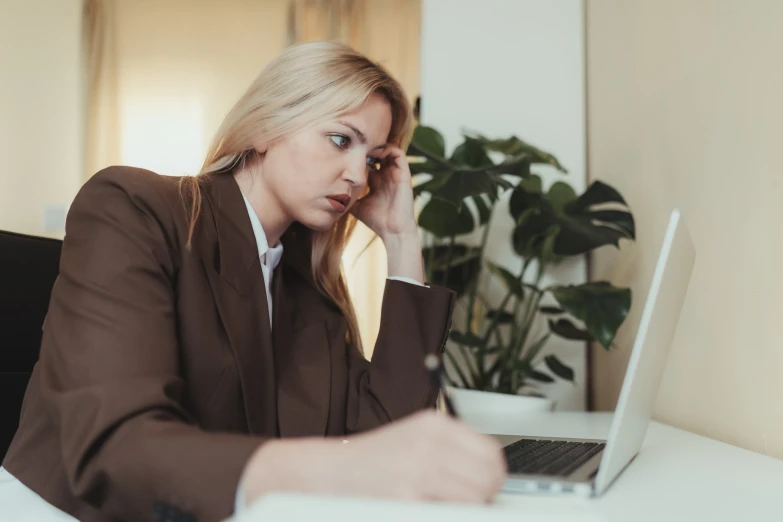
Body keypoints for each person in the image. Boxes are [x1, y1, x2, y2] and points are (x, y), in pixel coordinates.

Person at [0, 41, 507, 522]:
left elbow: (389, 437)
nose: (358, 177)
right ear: (266, 127)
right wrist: (338, 469)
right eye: (340, 139)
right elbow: (117, 446)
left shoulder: (305, 290)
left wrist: (401, 238)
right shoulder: (135, 209)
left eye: (372, 159)